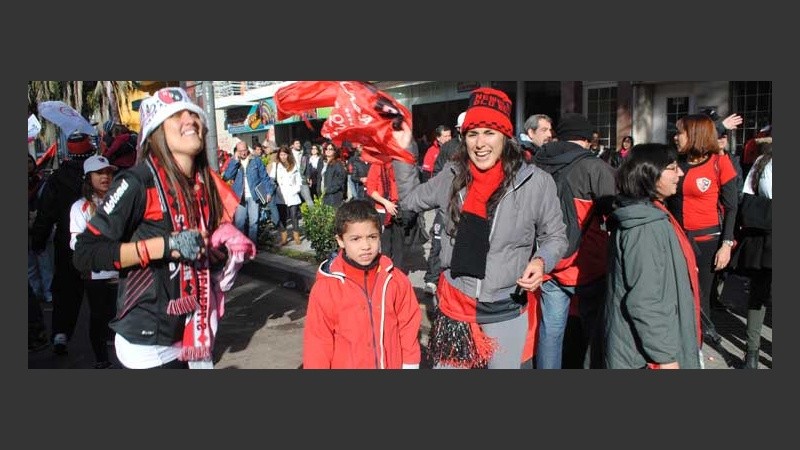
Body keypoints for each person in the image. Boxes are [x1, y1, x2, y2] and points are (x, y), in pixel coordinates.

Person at [73, 87, 253, 369]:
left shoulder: (203, 184)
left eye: (193, 114)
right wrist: (167, 246)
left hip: (192, 331)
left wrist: (215, 254)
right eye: (176, 115)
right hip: (148, 342)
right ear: (156, 130)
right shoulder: (136, 182)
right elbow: (85, 252)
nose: (190, 120)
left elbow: (195, 250)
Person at [400, 87, 568, 369]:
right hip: (455, 305)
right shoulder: (451, 176)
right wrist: (403, 150)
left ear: (505, 136)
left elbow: (555, 236)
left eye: (489, 132)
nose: (480, 143)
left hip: (506, 307)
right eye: (472, 133)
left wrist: (541, 262)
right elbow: (409, 201)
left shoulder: (535, 182)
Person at [603, 143, 702, 369]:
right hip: (645, 354)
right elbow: (645, 300)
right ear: (650, 173)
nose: (681, 173)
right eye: (672, 168)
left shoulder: (652, 212)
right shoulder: (645, 226)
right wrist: (665, 357)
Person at [533, 113, 617, 369]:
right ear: (585, 138)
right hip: (586, 265)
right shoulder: (596, 167)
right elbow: (613, 216)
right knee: (596, 332)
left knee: (551, 331)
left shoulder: (538, 162)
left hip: (546, 261)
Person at [303, 199, 422, 369]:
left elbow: (408, 327)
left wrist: (410, 364)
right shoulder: (326, 288)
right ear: (341, 241)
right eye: (355, 239)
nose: (365, 246)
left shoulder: (396, 280)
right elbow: (318, 342)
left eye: (372, 237)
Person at [665, 114, 738, 350]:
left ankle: (695, 349)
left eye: (681, 132)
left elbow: (731, 206)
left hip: (707, 241)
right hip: (676, 238)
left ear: (694, 135)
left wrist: (727, 244)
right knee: (675, 292)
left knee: (701, 297)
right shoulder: (674, 160)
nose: (676, 137)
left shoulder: (719, 161)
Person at [30, 132, 95, 355]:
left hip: (66, 243)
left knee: (65, 290)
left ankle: (60, 333)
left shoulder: (57, 178)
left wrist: (38, 239)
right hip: (99, 242)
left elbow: (46, 213)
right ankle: (107, 337)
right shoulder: (98, 174)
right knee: (102, 293)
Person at [68, 155, 119, 368]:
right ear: (89, 178)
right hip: (96, 274)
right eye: (99, 173)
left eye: (108, 172)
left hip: (120, 269)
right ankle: (101, 359)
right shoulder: (80, 207)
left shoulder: (120, 200)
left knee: (120, 314)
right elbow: (76, 243)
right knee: (98, 315)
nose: (105, 177)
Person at [730, 139, 772, 369]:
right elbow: (747, 196)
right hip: (765, 236)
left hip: (766, 232)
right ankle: (752, 354)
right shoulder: (762, 162)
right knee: (758, 294)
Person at [223, 139, 273, 244]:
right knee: (239, 223)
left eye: (245, 150)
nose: (243, 153)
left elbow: (264, 177)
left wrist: (268, 191)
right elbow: (227, 176)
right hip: (239, 196)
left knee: (253, 222)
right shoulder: (233, 161)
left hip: (253, 195)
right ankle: (240, 246)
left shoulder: (256, 160)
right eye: (240, 151)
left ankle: (252, 246)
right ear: (237, 151)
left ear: (248, 149)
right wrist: (235, 161)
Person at [268, 146, 303, 246]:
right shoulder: (276, 165)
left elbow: (299, 180)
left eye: (285, 154)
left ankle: (296, 236)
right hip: (281, 194)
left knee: (294, 216)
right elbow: (271, 179)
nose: (283, 157)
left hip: (292, 193)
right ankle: (284, 237)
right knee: (282, 217)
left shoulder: (294, 164)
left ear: (288, 155)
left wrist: (296, 190)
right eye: (281, 154)